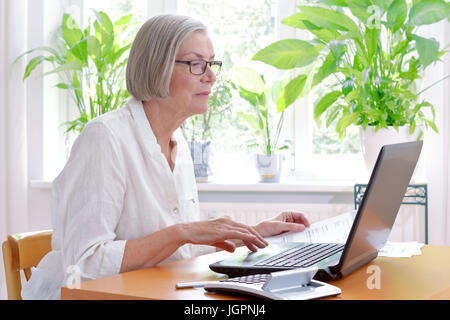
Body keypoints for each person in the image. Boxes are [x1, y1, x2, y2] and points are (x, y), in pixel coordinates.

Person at [21, 14, 310, 300]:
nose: (211, 76)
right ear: (157, 67)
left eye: (212, 64)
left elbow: (180, 250)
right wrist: (181, 232)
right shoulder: (104, 138)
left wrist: (252, 233)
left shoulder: (177, 144)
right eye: (197, 64)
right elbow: (85, 263)